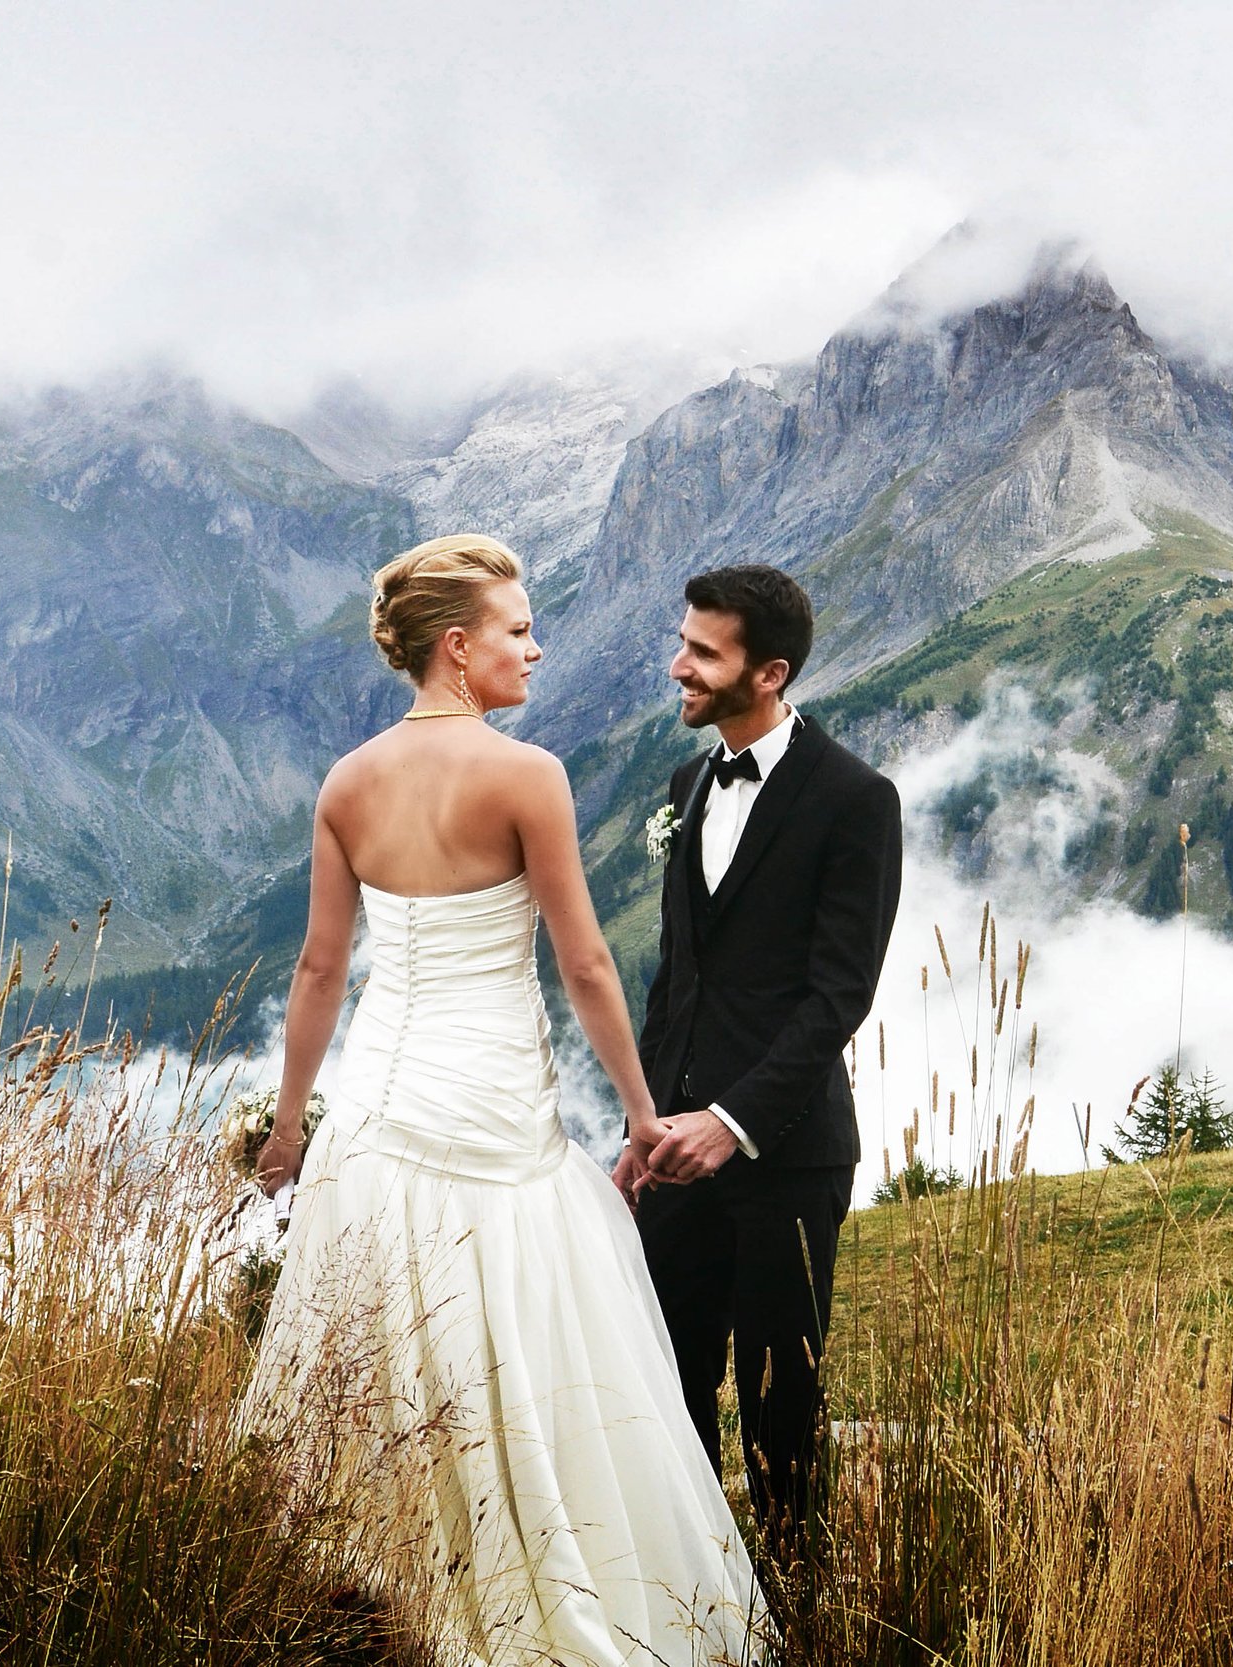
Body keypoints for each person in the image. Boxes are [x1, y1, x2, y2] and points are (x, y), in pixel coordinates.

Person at [245, 534, 765, 1667]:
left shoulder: (349, 781)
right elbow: (584, 965)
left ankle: (386, 1597)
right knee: (524, 1325)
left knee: (386, 1340)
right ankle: (535, 1584)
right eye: (520, 629)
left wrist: (291, 1125)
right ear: (457, 645)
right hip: (492, 1105)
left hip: (378, 1108)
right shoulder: (526, 775)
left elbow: (320, 970)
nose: (536, 646)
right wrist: (639, 1112)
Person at [626, 566, 904, 1579]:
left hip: (784, 1154)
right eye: (683, 640)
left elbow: (839, 995)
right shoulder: (685, 783)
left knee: (780, 1412)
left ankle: (792, 1603)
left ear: (769, 671)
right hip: (672, 1156)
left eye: (703, 651)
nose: (679, 665)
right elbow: (677, 978)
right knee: (669, 1390)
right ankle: (687, 1601)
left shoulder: (854, 799)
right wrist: (649, 1120)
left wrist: (730, 1121)